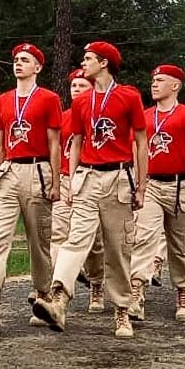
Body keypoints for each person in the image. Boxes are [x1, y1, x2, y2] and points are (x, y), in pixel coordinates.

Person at [33, 41, 147, 338]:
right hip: (86, 178)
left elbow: (142, 142)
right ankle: (59, 300)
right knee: (75, 239)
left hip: (119, 178)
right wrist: (72, 179)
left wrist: (142, 186)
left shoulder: (128, 97)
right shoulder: (82, 103)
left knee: (117, 248)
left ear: (104, 62)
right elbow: (77, 142)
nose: (83, 63)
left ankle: (122, 310)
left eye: (88, 58)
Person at [0, 43, 61, 331]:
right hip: (9, 170)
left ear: (38, 67)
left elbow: (55, 143)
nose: (18, 64)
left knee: (38, 241)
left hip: (37, 170)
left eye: (25, 60)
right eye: (16, 60)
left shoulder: (48, 98)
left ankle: (43, 296)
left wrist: (56, 181)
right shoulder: (3, 100)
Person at [128, 65, 185, 325]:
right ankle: (137, 290)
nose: (154, 84)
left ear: (175, 86)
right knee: (143, 238)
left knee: (180, 244)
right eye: (153, 80)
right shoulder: (145, 115)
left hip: (179, 186)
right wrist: (138, 186)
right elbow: (136, 151)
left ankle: (184, 291)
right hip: (150, 185)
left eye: (160, 80)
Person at [48, 68, 106, 321]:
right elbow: (54, 149)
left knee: (94, 242)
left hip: (92, 179)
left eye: (83, 86)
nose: (76, 90)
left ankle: (96, 284)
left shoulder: (100, 116)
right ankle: (57, 288)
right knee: (58, 234)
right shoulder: (62, 117)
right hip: (63, 179)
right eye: (74, 86)